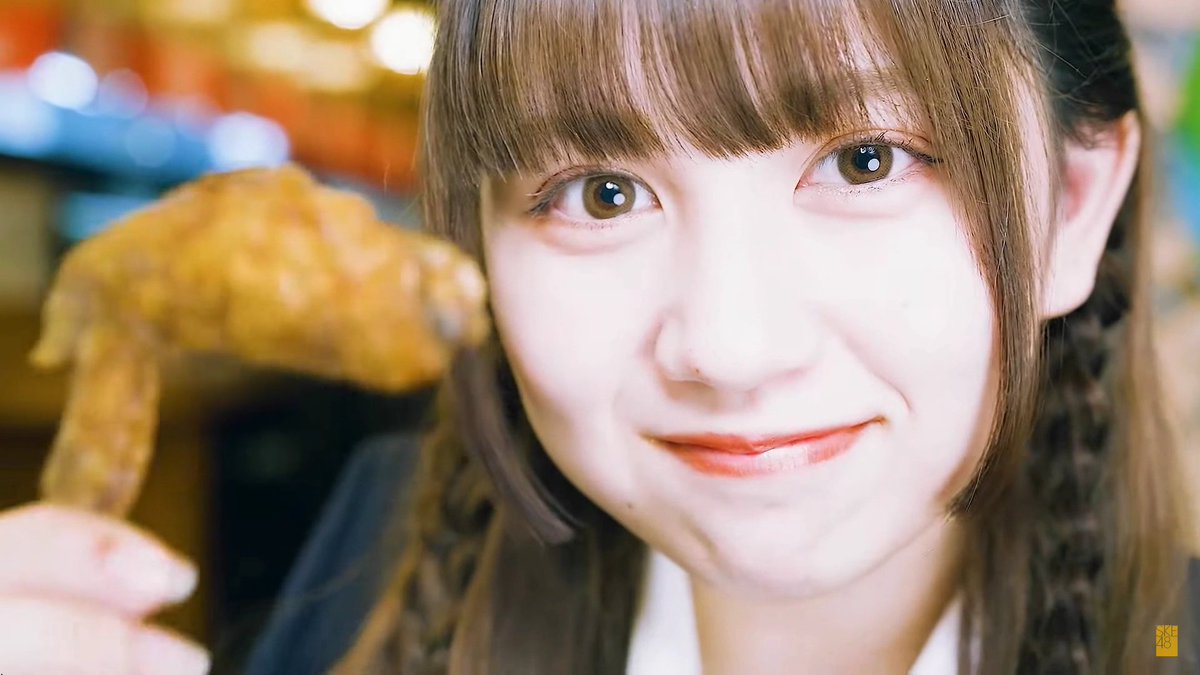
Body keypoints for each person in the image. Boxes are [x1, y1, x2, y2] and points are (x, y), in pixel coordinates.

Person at [1, 0, 1197, 673]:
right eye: (601, 193)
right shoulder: (370, 558)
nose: (728, 347)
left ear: (1072, 205)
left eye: (865, 162)